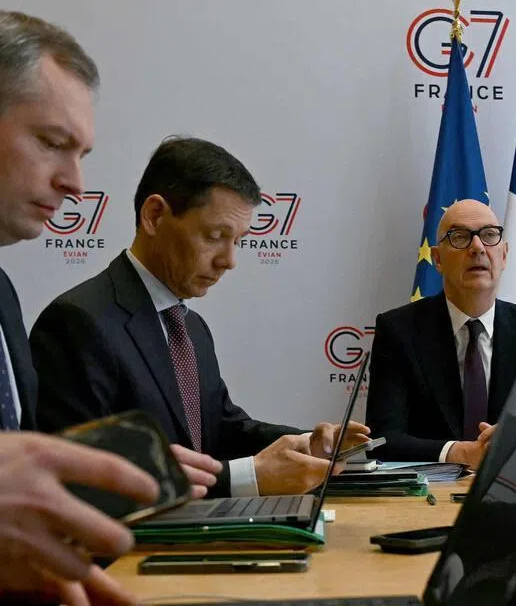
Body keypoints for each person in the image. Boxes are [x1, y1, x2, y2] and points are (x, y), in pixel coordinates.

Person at [30, 136, 368, 496]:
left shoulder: (189, 324)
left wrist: (307, 444)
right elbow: (84, 478)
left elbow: (220, 428)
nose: (229, 260)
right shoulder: (78, 322)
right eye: (215, 236)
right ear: (155, 215)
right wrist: (247, 478)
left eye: (238, 240)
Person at [0, 9, 177, 606]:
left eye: (82, 153)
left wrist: (37, 578)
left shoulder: (3, 296)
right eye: (51, 143)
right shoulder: (80, 317)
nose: (76, 183)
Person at [365, 198, 516, 467]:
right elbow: (383, 440)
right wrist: (460, 452)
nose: (477, 247)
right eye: (460, 237)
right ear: (437, 259)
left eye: (490, 235)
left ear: (504, 255)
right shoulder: (398, 331)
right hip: (424, 499)